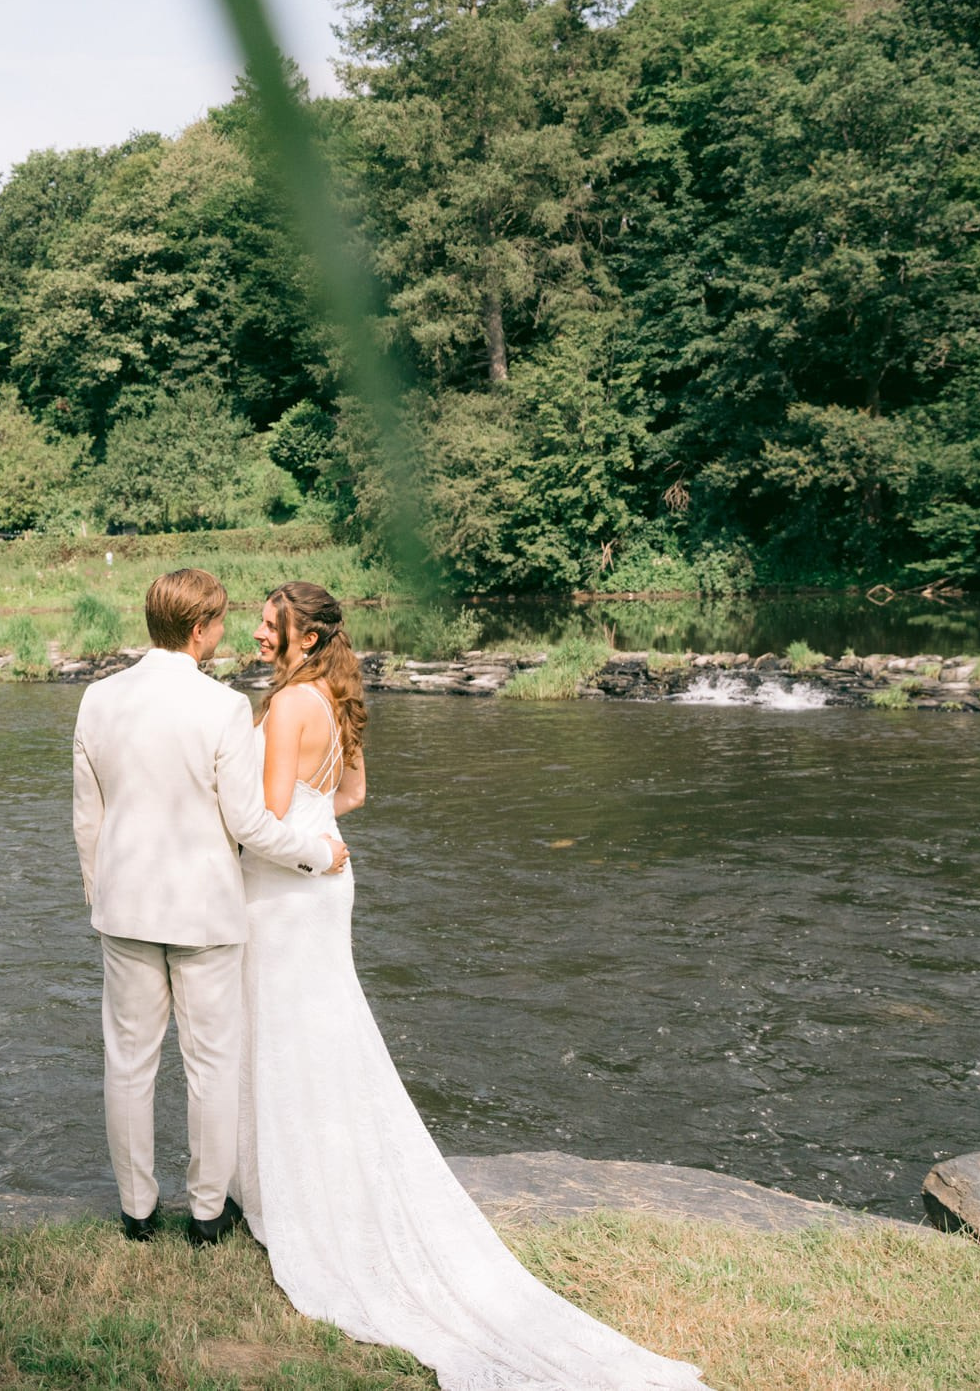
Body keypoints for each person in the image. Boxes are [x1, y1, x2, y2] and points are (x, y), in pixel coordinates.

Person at [236, 580, 709, 1389]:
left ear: (304, 636)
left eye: (269, 623)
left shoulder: (286, 708)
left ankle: (290, 1200)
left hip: (289, 886)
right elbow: (350, 795)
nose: (256, 630)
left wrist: (238, 824)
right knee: (324, 1028)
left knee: (283, 1030)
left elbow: (273, 819)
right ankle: (303, 1184)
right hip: (328, 881)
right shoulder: (335, 695)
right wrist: (323, 836)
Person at [70, 567, 348, 1244]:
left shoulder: (98, 700)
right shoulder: (221, 707)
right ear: (199, 630)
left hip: (125, 909)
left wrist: (98, 893)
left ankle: (136, 1211)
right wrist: (318, 853)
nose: (226, 632)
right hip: (205, 917)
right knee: (211, 1065)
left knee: (128, 1064)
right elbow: (250, 826)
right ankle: (204, 1214)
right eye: (221, 621)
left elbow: (87, 818)